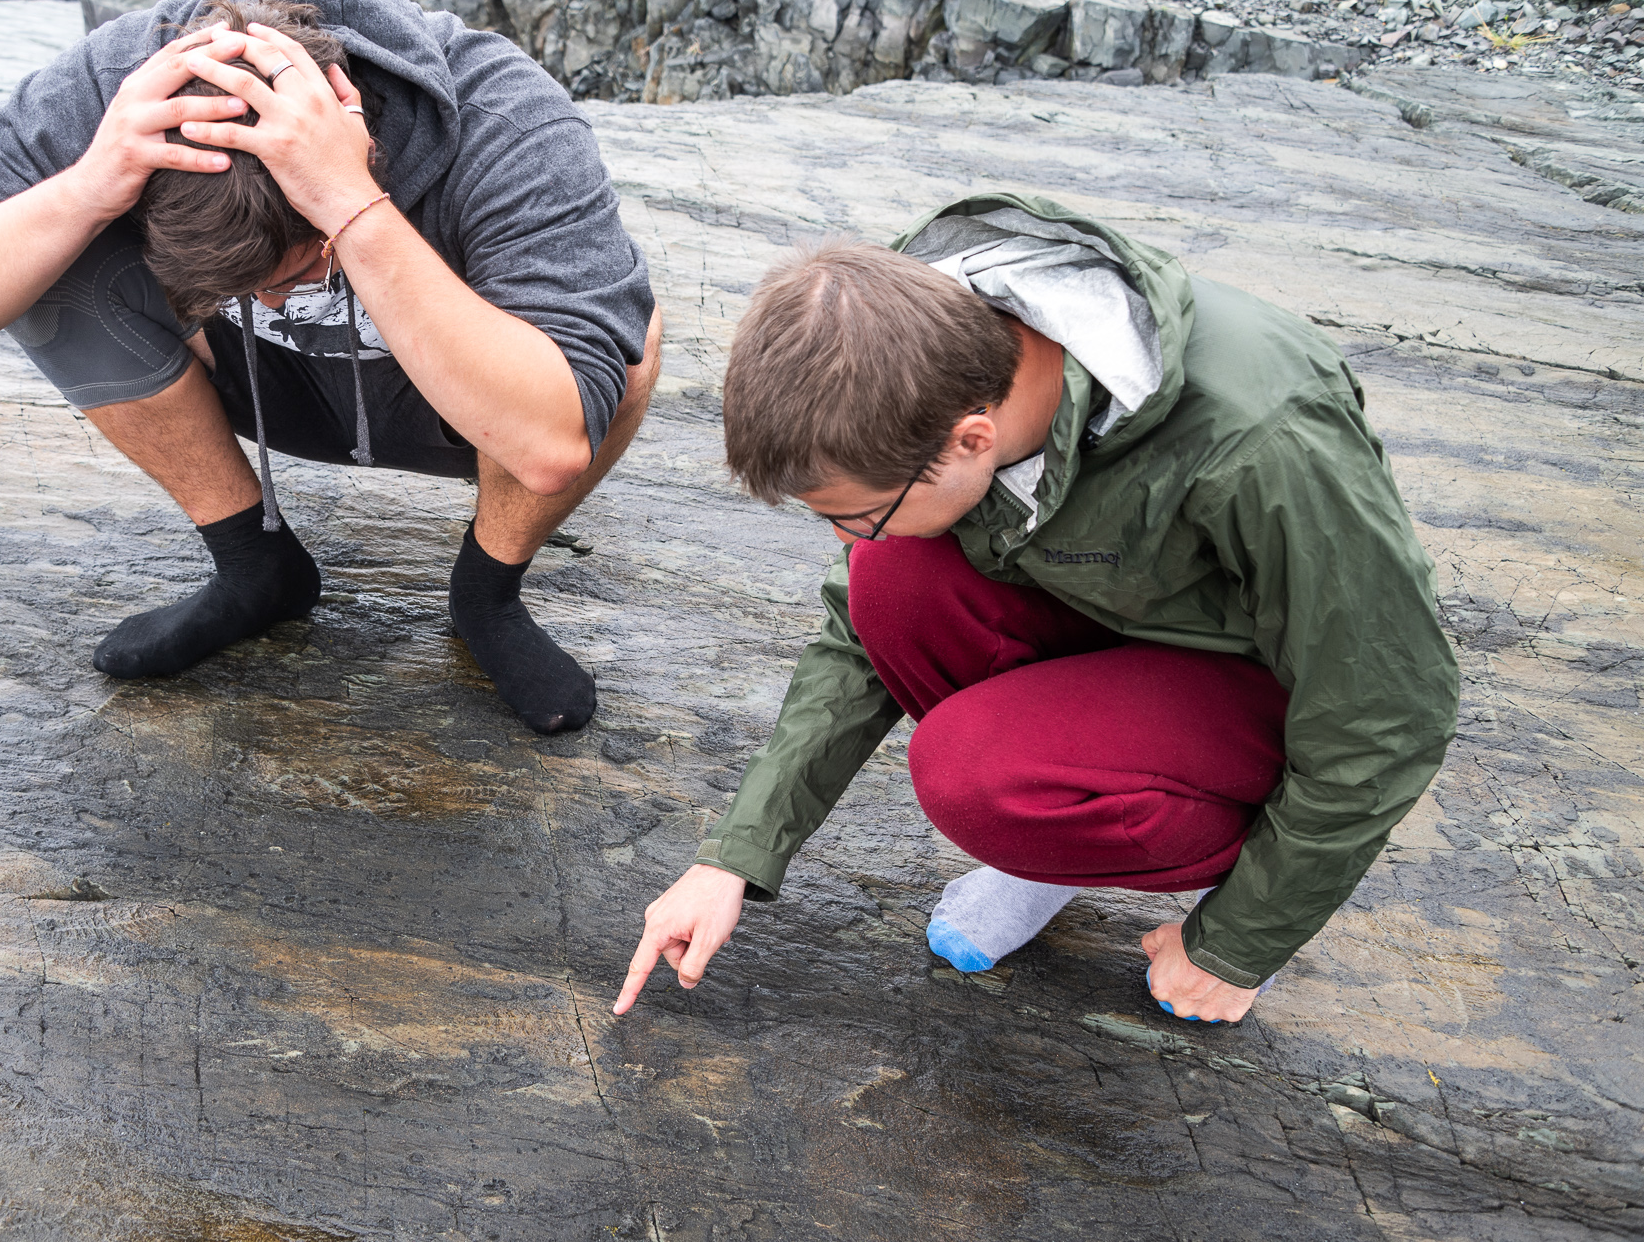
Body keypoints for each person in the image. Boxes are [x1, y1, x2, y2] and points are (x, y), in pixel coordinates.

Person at [614, 195, 1459, 1023]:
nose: (843, 535)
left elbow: (1389, 712)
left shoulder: (1264, 443)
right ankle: (1061, 842)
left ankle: (1196, 860)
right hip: (1129, 613)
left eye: (853, 510)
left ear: (972, 440)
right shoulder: (923, 331)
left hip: (1266, 684)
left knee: (972, 774)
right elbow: (856, 635)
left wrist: (1235, 944)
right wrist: (733, 857)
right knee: (889, 582)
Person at [0, 0, 659, 735]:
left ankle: (486, 592)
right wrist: (92, 181)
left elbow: (553, 441)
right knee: (40, 255)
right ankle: (256, 566)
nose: (277, 302)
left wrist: (350, 204)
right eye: (247, 289)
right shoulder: (140, 77)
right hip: (252, 384)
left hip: (456, 413)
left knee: (617, 348)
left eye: (300, 268)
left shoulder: (508, 120)